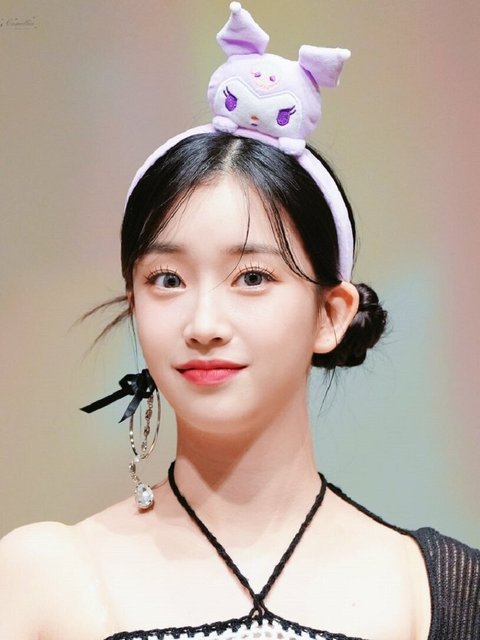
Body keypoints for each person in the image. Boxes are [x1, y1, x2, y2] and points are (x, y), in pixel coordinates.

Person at [1, 4, 478, 640]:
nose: (203, 323)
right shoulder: (43, 577)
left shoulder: (435, 590)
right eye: (166, 280)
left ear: (330, 315)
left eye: (252, 277)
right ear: (134, 302)